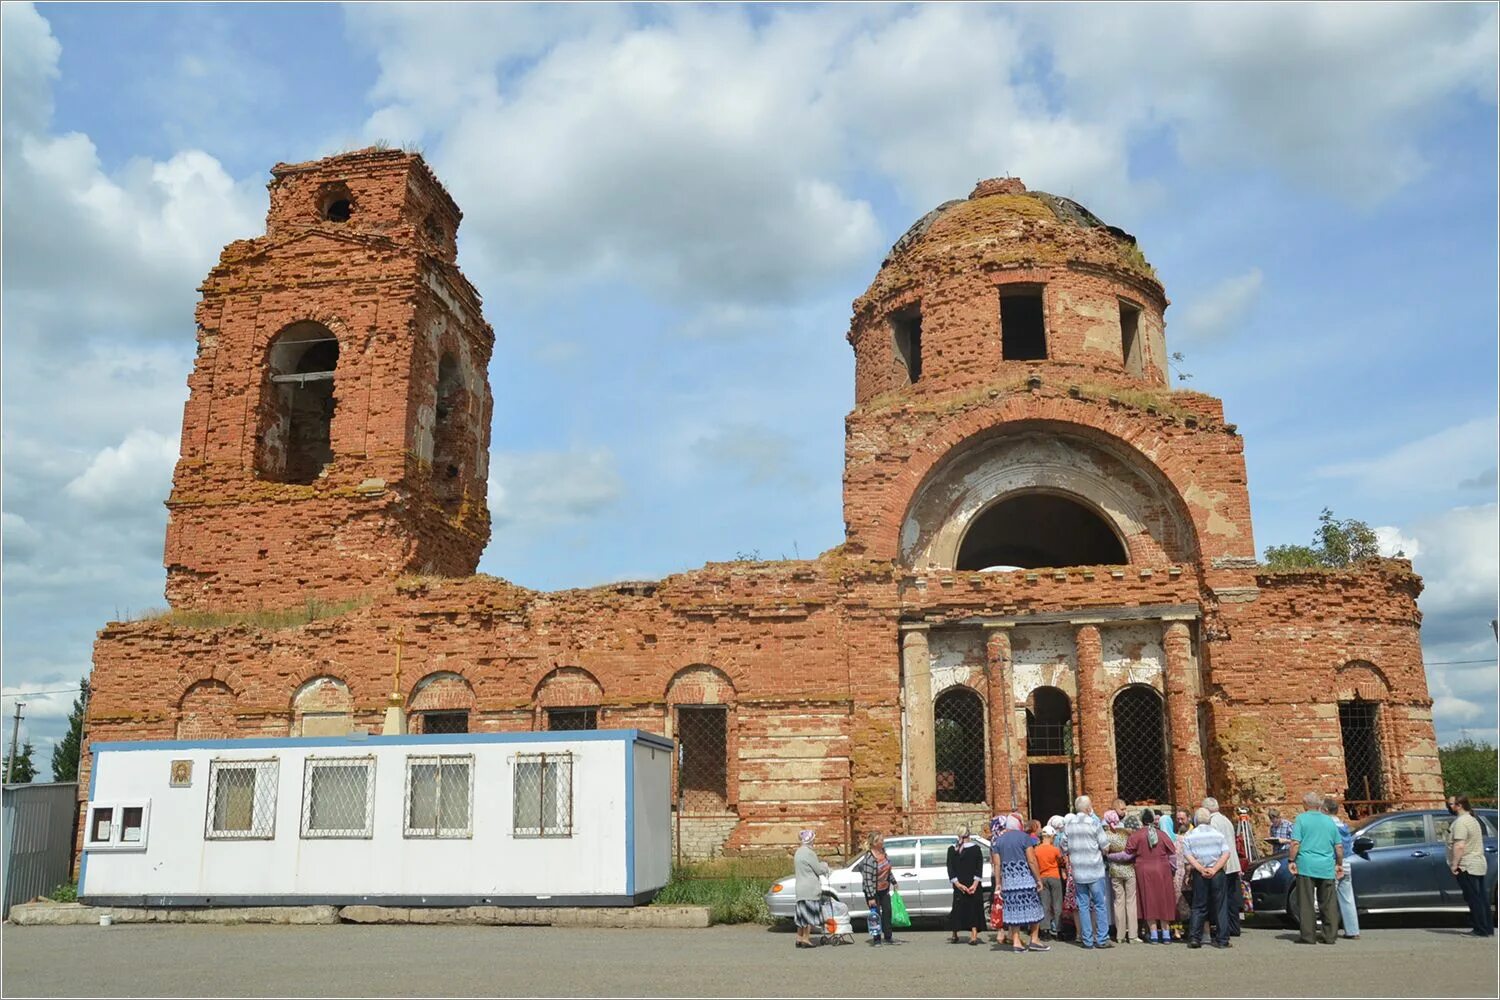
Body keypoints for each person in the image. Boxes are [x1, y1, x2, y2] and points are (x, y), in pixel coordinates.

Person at [1288, 790, 1342, 945]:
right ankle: (1330, 935)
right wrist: (1339, 864)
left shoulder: (1301, 820)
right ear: (1319, 805)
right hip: (1326, 865)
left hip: (1306, 865)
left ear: (1305, 805)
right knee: (1328, 903)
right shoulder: (1329, 821)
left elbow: (1295, 843)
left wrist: (1291, 860)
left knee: (1306, 901)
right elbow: (1338, 846)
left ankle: (1308, 935)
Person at [1059, 795, 1112, 950]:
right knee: (1099, 905)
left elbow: (1063, 846)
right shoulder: (1094, 823)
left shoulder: (1069, 825)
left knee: (1082, 906)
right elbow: (1105, 846)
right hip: (1094, 870)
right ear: (1089, 808)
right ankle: (1102, 939)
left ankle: (1087, 940)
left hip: (1078, 871)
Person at [994, 814, 1050, 953]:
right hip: (1026, 880)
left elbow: (996, 864)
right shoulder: (1025, 838)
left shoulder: (998, 841)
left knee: (1014, 912)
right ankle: (1034, 939)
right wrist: (1038, 879)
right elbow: (1031, 860)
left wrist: (998, 883)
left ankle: (1016, 941)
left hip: (1009, 882)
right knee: (1035, 909)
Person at [1181, 807, 1232, 949]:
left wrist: (1200, 868)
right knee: (1220, 905)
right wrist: (1215, 869)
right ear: (1209, 820)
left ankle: (1195, 938)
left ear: (1196, 821)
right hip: (1217, 872)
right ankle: (1222, 939)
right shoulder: (1218, 835)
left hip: (1200, 872)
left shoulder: (1190, 836)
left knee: (1198, 905)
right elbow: (1226, 853)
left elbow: (1188, 855)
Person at [1127, 808, 1178, 944]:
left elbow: (1128, 851)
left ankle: (1154, 933)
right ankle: (1166, 933)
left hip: (1144, 869)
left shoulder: (1137, 835)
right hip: (1162, 869)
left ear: (1141, 820)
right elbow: (1172, 851)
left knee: (1148, 900)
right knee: (1164, 900)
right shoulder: (1161, 834)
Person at [1446, 795, 1493, 938]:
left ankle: (1480, 929)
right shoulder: (1473, 820)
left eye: (1450, 805)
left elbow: (1459, 845)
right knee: (1481, 897)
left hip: (1466, 865)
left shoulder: (1461, 823)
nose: (1449, 808)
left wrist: (1454, 865)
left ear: (1459, 805)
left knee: (1473, 897)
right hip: (1478, 863)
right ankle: (1487, 928)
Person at [1203, 796, 1243, 937]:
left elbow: (1214, 845)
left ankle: (1225, 928)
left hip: (1222, 863)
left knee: (1222, 899)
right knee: (1231, 898)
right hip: (1232, 862)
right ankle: (1234, 926)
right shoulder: (1226, 820)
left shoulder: (1212, 822)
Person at [1322, 797, 1359, 939]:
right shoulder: (1344, 826)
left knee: (1329, 898)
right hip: (1347, 862)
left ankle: (1331, 930)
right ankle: (1353, 930)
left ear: (1325, 810)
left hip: (1333, 863)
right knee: (1347, 898)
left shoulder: (1328, 826)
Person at [856, 831, 898, 946]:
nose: (882, 842)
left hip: (884, 889)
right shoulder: (870, 858)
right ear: (875, 843)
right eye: (881, 840)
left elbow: (887, 869)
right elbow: (867, 879)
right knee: (875, 915)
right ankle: (877, 939)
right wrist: (870, 897)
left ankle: (888, 936)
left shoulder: (883, 853)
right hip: (872, 890)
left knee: (887, 911)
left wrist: (893, 882)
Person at [1103, 810, 1139, 944]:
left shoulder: (1107, 834)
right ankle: (1133, 934)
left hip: (1115, 870)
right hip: (1129, 869)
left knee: (1118, 901)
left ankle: (1120, 935)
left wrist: (1111, 856)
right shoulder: (1128, 833)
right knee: (1131, 901)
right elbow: (1134, 850)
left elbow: (1104, 851)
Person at [793, 829, 831, 949]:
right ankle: (806, 938)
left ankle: (799, 938)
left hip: (800, 887)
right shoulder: (809, 853)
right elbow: (818, 869)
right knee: (808, 915)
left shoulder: (798, 852)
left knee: (801, 915)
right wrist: (825, 865)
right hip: (809, 887)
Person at [947, 826, 985, 945]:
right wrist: (975, 884)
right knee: (973, 908)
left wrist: (957, 884)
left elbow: (950, 868)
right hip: (972, 884)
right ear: (969, 834)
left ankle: (954, 933)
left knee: (957, 907)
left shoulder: (952, 849)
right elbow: (979, 868)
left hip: (959, 884)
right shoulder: (976, 849)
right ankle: (973, 935)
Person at [1034, 825, 1066, 938]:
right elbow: (1061, 862)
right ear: (1051, 836)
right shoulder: (1055, 849)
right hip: (1054, 876)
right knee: (1057, 904)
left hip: (1042, 877)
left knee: (1044, 904)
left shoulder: (1036, 850)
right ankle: (1058, 929)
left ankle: (1045, 930)